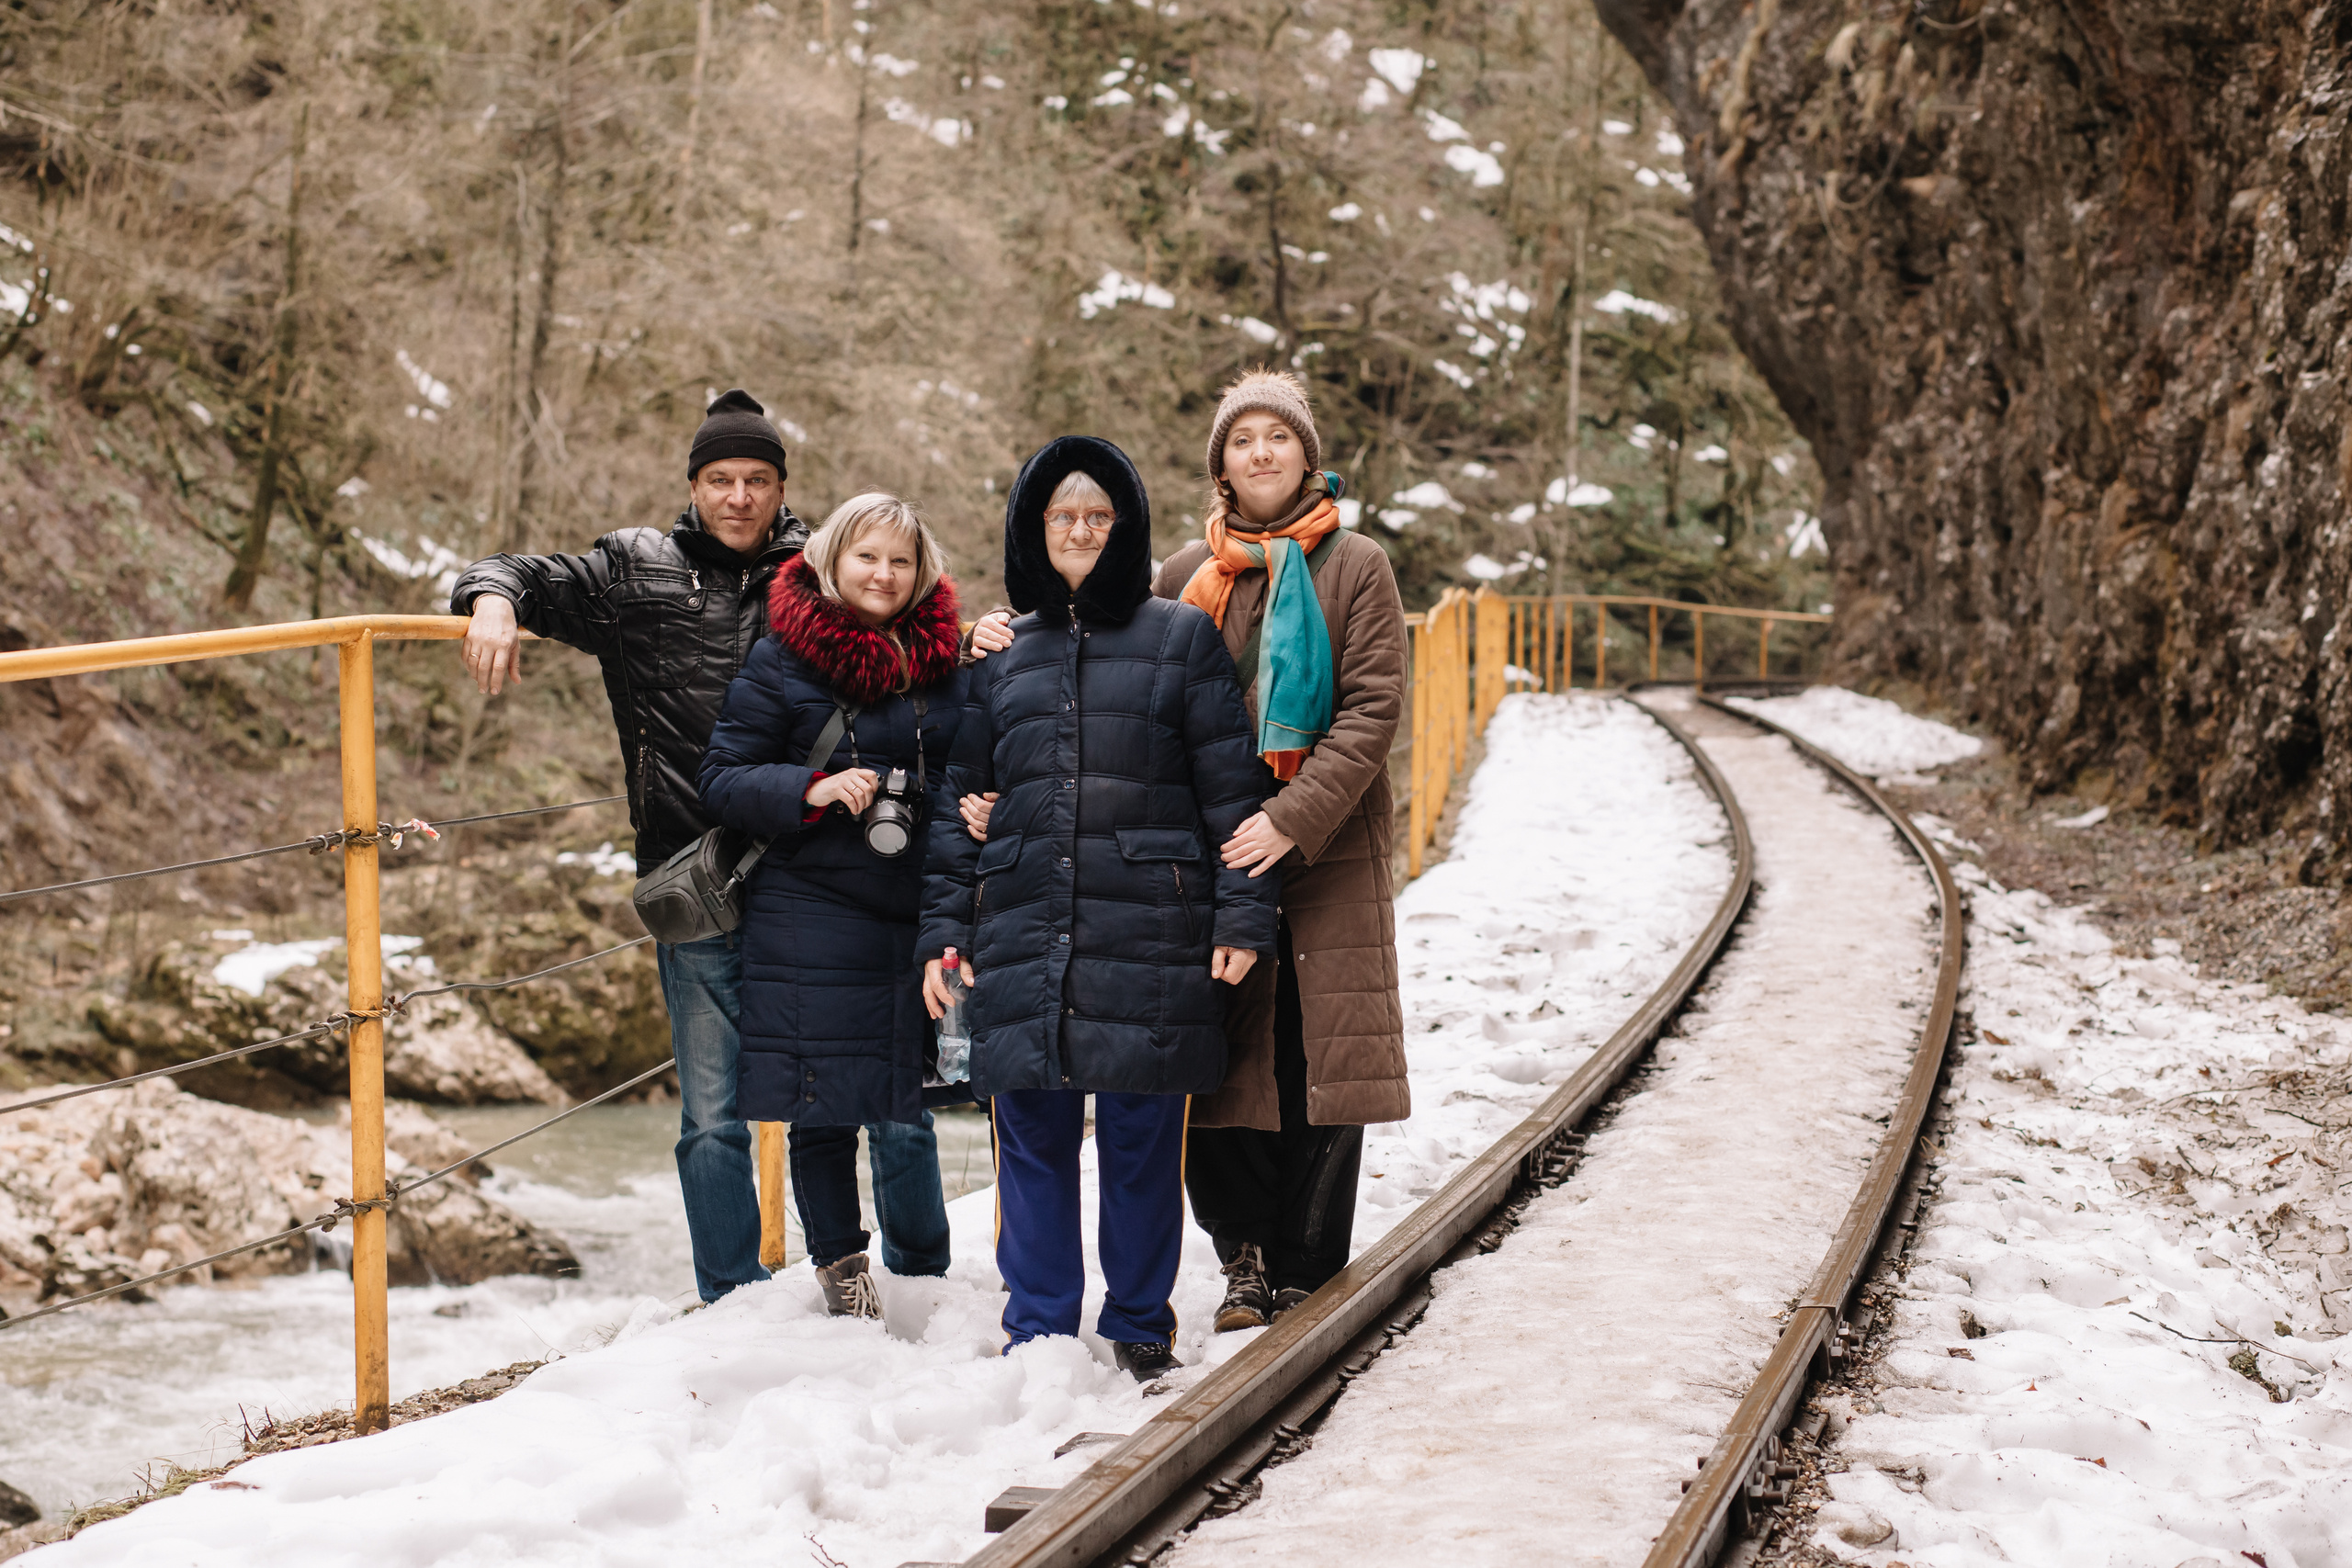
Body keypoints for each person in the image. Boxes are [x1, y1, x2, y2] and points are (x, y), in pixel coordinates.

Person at [447, 390, 1011, 1304]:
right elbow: (514, 569)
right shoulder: (635, 570)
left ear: (783, 488)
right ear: (693, 486)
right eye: (720, 479)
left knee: (876, 1094)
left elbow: (908, 629)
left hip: (827, 877)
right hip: (702, 871)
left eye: (756, 479)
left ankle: (918, 1283)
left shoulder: (825, 567)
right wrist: (491, 603)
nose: (739, 496)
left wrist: (973, 639)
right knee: (712, 1112)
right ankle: (733, 1301)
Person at [918, 435, 1278, 1381]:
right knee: (1031, 1136)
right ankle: (1038, 1330)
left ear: (1125, 528)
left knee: (1141, 1140)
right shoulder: (1001, 656)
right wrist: (944, 936)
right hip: (1020, 928)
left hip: (1150, 929)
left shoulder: (1180, 637)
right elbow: (958, 806)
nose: (1079, 530)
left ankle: (1139, 1324)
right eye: (1061, 516)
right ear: (1032, 530)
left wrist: (1242, 917)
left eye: (1098, 516)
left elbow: (1232, 796)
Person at [1151, 368, 1409, 1330]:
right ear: (1221, 463)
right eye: (1242, 439)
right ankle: (1243, 1257)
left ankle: (1308, 1261)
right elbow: (1125, 675)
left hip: (1325, 847)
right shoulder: (1184, 574)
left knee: (1319, 1051)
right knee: (1219, 1050)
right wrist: (996, 636)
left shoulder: (1356, 564)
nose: (1260, 452)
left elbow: (1373, 709)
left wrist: (1291, 817)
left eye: (1278, 436)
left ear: (1307, 454)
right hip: (1212, 850)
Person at [698, 493, 974, 1315]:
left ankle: (923, 1271)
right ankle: (843, 1268)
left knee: (906, 1100)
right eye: (867, 556)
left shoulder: (948, 662)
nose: (883, 574)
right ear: (831, 560)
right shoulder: (783, 659)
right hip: (809, 908)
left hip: (915, 902)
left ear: (922, 571)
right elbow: (721, 778)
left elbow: (972, 762)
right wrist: (811, 786)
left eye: (900, 561)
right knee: (820, 1103)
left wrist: (973, 804)